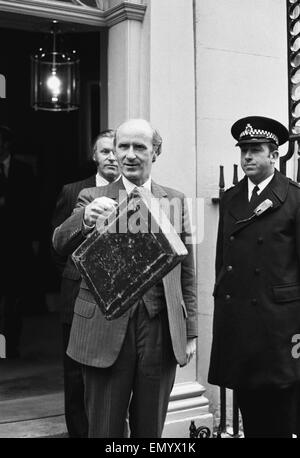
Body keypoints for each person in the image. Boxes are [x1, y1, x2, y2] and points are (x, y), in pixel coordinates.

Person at [52, 119, 198, 438]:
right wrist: (84, 219)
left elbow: (187, 271)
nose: (130, 155)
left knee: (150, 429)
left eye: (139, 147)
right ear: (114, 152)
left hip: (159, 328)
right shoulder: (92, 196)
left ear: (155, 153)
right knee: (104, 429)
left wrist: (190, 332)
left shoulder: (175, 200)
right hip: (104, 328)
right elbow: (60, 243)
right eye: (123, 147)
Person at [208, 115, 300, 437]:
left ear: (273, 155)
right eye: (243, 149)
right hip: (241, 322)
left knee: (283, 414)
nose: (246, 156)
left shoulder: (294, 197)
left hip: (280, 325)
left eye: (255, 149)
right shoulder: (232, 198)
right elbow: (223, 260)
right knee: (250, 410)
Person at [52, 129, 120, 438]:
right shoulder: (73, 191)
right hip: (75, 293)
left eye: (115, 151)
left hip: (114, 298)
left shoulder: (131, 193)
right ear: (94, 156)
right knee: (75, 375)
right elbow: (59, 242)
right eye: (104, 151)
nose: (112, 156)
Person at [0, 125, 36, 358]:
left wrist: (34, 240)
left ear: (8, 144)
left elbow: (32, 207)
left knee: (15, 298)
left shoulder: (24, 170)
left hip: (17, 243)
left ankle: (11, 345)